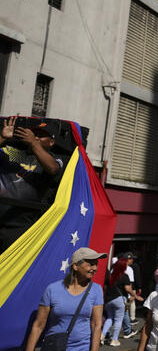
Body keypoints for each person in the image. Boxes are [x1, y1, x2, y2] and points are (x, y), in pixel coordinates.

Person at [0, 116, 64, 250]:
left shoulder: (55, 159)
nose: (36, 137)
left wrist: (34, 143)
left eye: (41, 136)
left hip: (19, 228)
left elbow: (52, 168)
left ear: (51, 142)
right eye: (35, 134)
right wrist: (3, 138)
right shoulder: (14, 153)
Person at [24, 247, 106, 351]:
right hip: (54, 347)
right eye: (90, 264)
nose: (95, 268)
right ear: (76, 266)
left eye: (96, 264)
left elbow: (96, 324)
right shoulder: (52, 289)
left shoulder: (96, 290)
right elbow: (39, 325)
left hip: (82, 348)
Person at [101, 256, 143, 346]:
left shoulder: (110, 276)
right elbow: (127, 288)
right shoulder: (124, 276)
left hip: (108, 300)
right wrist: (135, 296)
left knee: (109, 318)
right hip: (119, 300)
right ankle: (114, 340)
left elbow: (105, 288)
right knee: (118, 320)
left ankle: (102, 335)